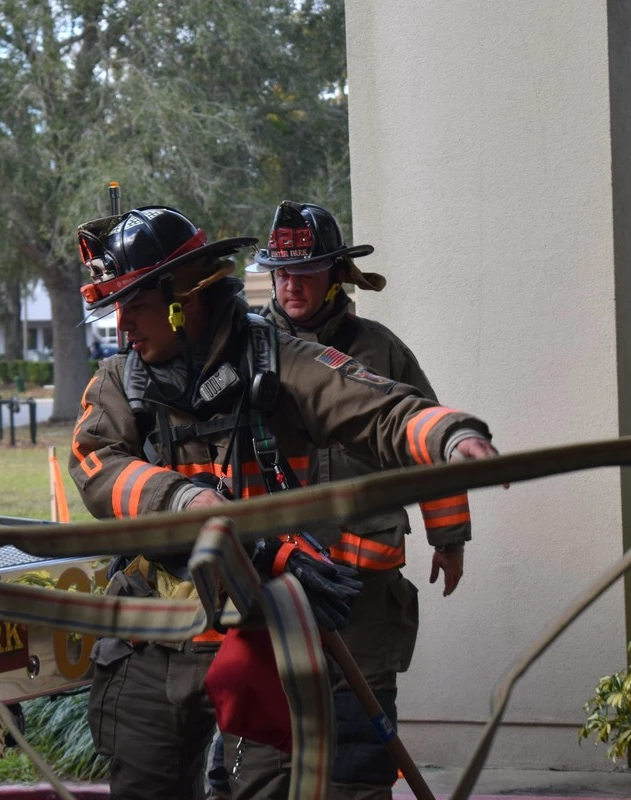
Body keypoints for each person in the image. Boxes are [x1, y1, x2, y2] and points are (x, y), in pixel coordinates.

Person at [69, 205, 499, 800]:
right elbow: (96, 467)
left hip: (260, 635)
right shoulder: (118, 381)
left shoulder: (280, 359)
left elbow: (385, 410)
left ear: (183, 298)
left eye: (135, 305)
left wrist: (452, 436)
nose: (124, 325)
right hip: (154, 635)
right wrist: (188, 501)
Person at [230, 201, 472, 799]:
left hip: (365, 587)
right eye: (281, 273)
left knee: (361, 747)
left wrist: (450, 537)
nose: (291, 285)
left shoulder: (382, 352)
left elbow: (427, 445)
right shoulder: (246, 354)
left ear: (337, 273)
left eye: (306, 271)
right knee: (268, 733)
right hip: (279, 580)